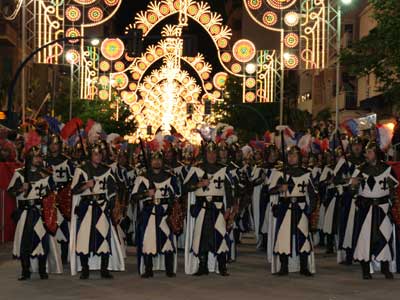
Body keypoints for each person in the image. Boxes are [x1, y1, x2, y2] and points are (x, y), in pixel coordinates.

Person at [69, 141, 125, 279]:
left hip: (102, 207)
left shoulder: (107, 170)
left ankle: (104, 269)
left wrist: (111, 206)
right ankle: (85, 269)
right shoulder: (81, 170)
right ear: (90, 155)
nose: (98, 157)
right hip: (86, 208)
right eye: (95, 154)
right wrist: (85, 185)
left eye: (100, 154)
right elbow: (74, 190)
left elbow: (112, 190)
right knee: (84, 238)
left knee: (103, 238)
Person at [8, 140, 62, 280]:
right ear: (30, 158)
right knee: (25, 242)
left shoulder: (46, 174)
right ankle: (25, 271)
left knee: (42, 240)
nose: (39, 159)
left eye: (40, 157)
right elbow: (11, 191)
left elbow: (52, 193)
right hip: (26, 212)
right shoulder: (19, 173)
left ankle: (42, 270)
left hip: (40, 211)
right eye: (36, 157)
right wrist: (21, 189)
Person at [184, 142, 233, 276]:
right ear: (205, 154)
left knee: (221, 235)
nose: (211, 155)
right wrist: (199, 184)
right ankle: (203, 266)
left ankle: (222, 267)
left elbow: (229, 190)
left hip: (218, 208)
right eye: (209, 153)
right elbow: (186, 187)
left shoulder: (223, 169)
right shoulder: (197, 168)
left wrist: (228, 208)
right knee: (201, 237)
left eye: (213, 153)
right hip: (203, 208)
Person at [351, 141, 398, 279]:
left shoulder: (387, 169)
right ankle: (366, 269)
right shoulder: (360, 169)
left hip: (383, 208)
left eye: (369, 152)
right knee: (365, 239)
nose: (366, 154)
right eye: (366, 152)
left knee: (384, 237)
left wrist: (391, 202)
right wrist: (353, 186)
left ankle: (385, 268)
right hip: (366, 208)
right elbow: (351, 191)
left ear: (376, 153)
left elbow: (392, 189)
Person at [131, 146, 180, 278]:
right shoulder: (142, 178)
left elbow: (177, 194)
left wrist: (171, 209)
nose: (157, 162)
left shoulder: (170, 177)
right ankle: (148, 269)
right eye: (154, 160)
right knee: (148, 241)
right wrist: (146, 193)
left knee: (167, 241)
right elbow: (134, 196)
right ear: (150, 161)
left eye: (159, 160)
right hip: (149, 212)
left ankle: (169, 269)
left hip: (165, 213)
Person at [271, 146, 317, 276]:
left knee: (303, 237)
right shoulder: (280, 172)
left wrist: (310, 209)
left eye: (294, 155)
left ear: (299, 157)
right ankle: (284, 267)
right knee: (283, 237)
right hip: (285, 208)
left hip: (301, 208)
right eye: (289, 155)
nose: (291, 158)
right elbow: (269, 190)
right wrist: (280, 188)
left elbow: (313, 193)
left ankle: (304, 267)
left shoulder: (306, 172)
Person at [45, 134, 75, 265]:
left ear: (60, 146)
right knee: (49, 226)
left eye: (56, 144)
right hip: (49, 197)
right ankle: (49, 255)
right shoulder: (44, 161)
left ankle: (64, 255)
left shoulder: (67, 161)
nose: (53, 146)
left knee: (63, 227)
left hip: (63, 198)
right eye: (51, 143)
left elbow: (74, 179)